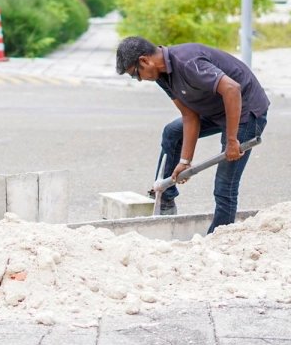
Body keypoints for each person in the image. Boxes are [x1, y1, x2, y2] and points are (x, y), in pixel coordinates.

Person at [115, 36, 269, 234]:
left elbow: (232, 89)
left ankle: (219, 237)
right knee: (172, 132)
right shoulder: (162, 75)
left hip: (245, 112)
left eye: (136, 74)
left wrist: (232, 140)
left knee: (225, 184)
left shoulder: (187, 63)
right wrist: (185, 160)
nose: (139, 79)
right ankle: (165, 199)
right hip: (215, 110)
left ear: (145, 60)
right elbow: (189, 116)